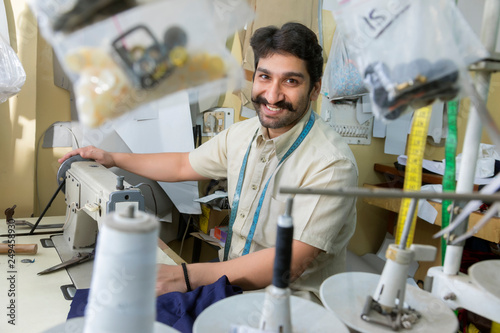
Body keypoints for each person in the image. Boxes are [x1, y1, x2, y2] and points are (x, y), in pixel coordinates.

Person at [59, 22, 358, 301]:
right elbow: (181, 166)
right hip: (231, 290)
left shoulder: (332, 165)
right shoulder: (242, 135)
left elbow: (290, 261)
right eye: (265, 76)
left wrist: (183, 277)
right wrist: (112, 158)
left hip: (292, 307)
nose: (272, 94)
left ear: (315, 89)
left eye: (290, 81)